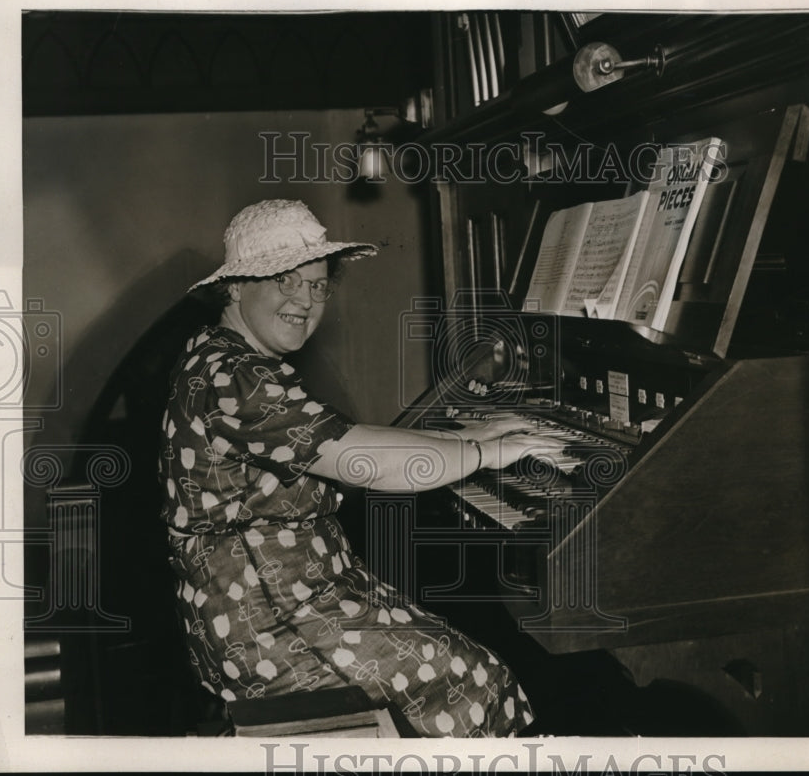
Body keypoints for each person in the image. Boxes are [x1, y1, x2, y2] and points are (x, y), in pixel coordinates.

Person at [159, 199, 564, 738]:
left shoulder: (223, 356)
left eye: (318, 284)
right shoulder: (237, 377)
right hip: (275, 625)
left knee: (461, 646)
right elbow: (361, 459)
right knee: (480, 683)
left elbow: (344, 438)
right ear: (235, 286)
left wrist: (461, 436)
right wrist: (488, 453)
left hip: (285, 604)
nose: (305, 300)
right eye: (286, 280)